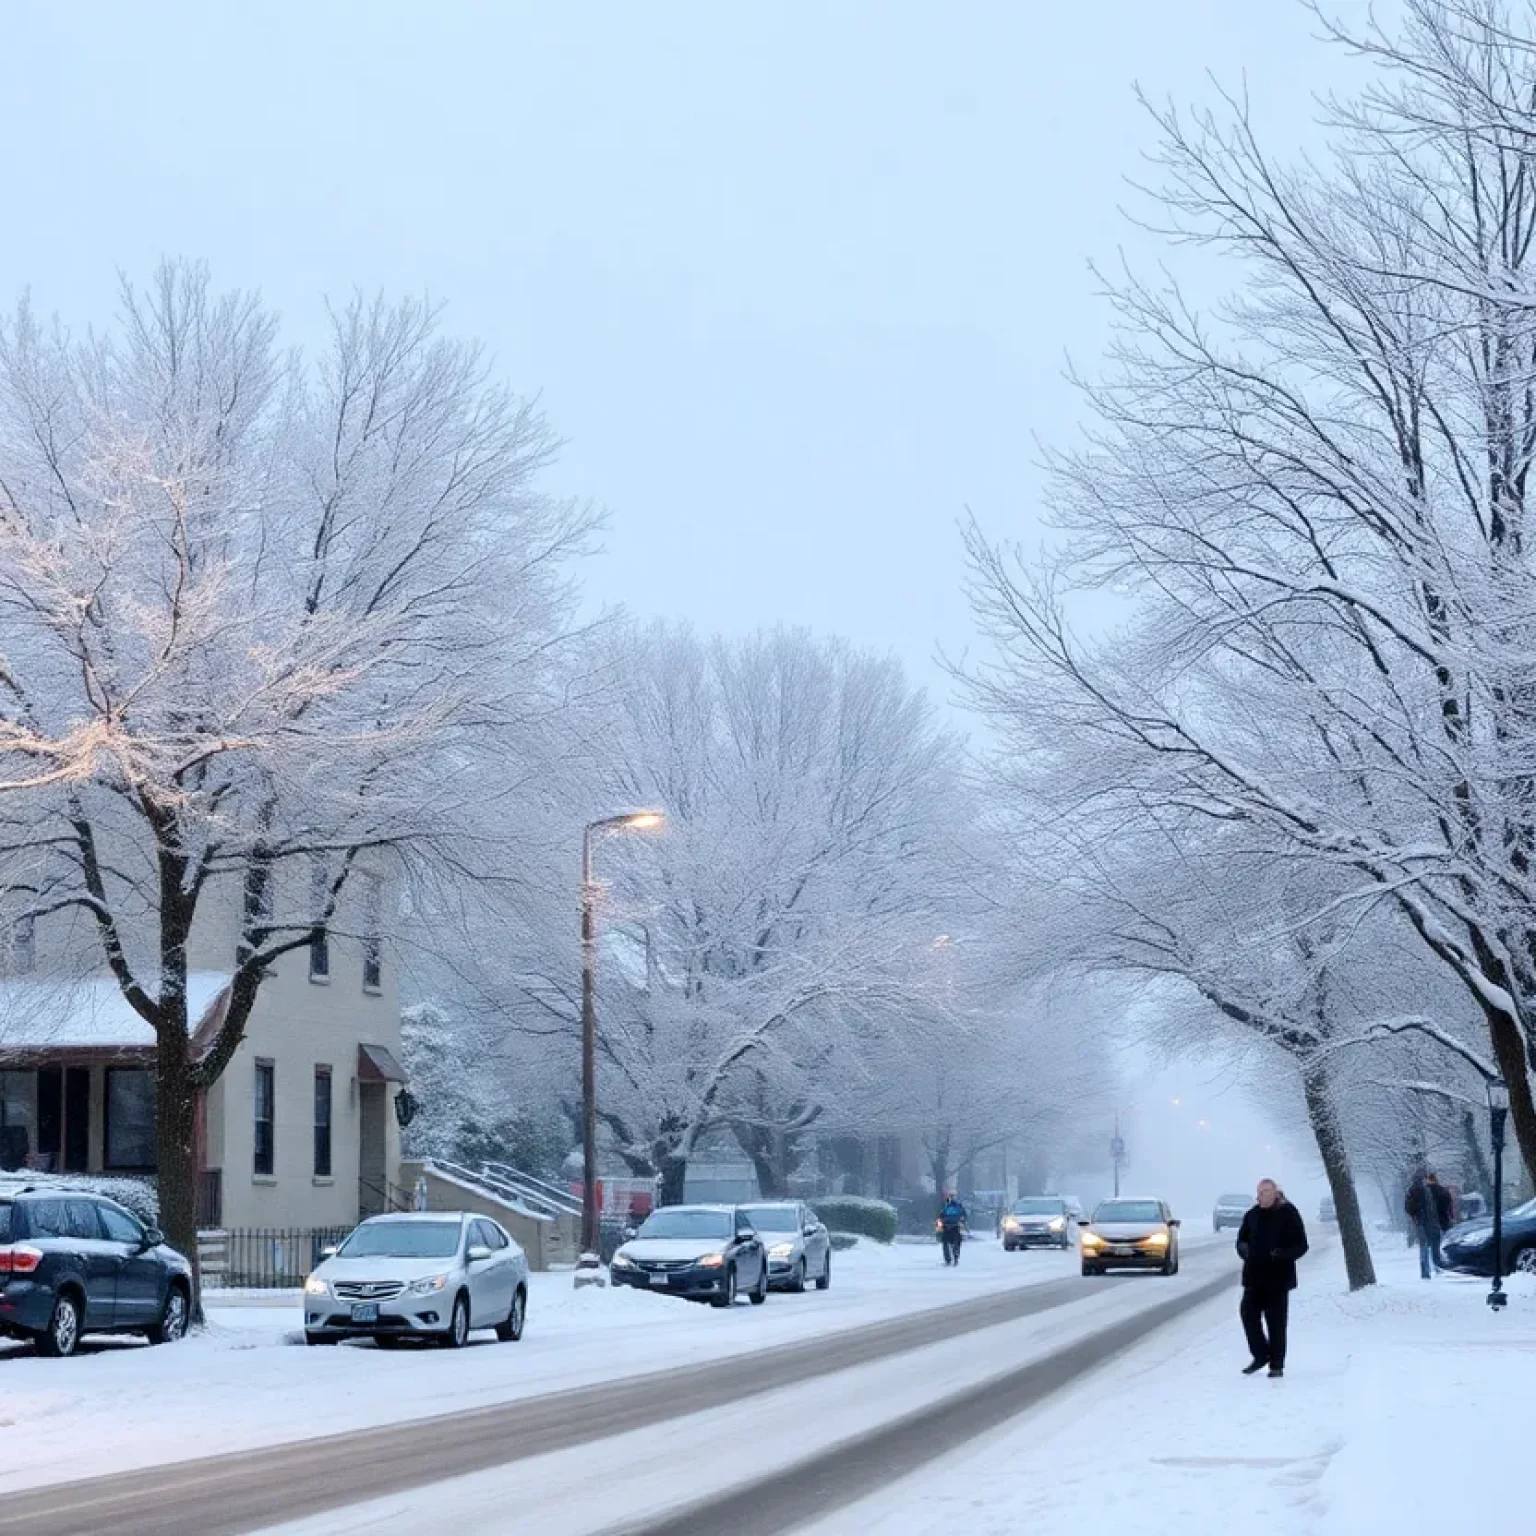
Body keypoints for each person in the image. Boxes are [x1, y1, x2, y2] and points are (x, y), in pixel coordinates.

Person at [1235, 1178, 1309, 1379]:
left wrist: (1280, 1254)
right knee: (1248, 1314)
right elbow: (1241, 1239)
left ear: (1276, 1193)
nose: (1263, 1196)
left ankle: (1276, 1365)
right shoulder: (1252, 1215)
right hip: (1254, 1277)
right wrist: (1244, 1250)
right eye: (1260, 1193)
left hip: (1278, 1278)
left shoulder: (1288, 1213)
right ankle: (1260, 1354)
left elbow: (1302, 1245)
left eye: (1267, 1192)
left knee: (1276, 1323)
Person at [1405, 1170, 1452, 1278]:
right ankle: (1435, 1267)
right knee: (1431, 1245)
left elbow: (1408, 1207)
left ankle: (1427, 1270)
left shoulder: (1414, 1190)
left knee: (1425, 1246)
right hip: (1428, 1222)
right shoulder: (1424, 1190)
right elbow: (1444, 1200)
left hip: (1423, 1222)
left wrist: (1416, 1215)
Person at [938, 1192, 967, 1266]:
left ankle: (948, 1260)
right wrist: (962, 1223)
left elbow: (940, 1218)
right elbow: (964, 1217)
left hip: (947, 1226)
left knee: (945, 1243)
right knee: (957, 1241)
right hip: (955, 1226)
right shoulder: (959, 1207)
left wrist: (939, 1229)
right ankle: (955, 1257)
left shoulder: (945, 1207)